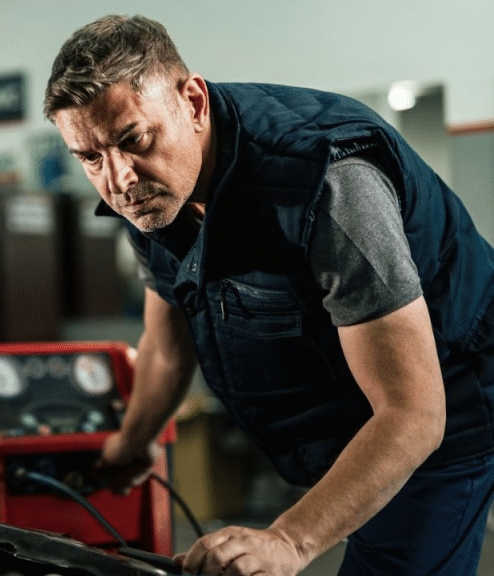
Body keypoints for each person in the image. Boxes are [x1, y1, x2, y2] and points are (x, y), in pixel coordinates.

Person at [44, 14, 494, 576]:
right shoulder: (151, 194)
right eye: (90, 157)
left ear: (194, 102)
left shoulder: (327, 182)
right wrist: (129, 444)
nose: (118, 181)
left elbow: (415, 413)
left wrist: (289, 541)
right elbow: (166, 340)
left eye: (134, 139)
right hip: (350, 414)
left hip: (447, 403)